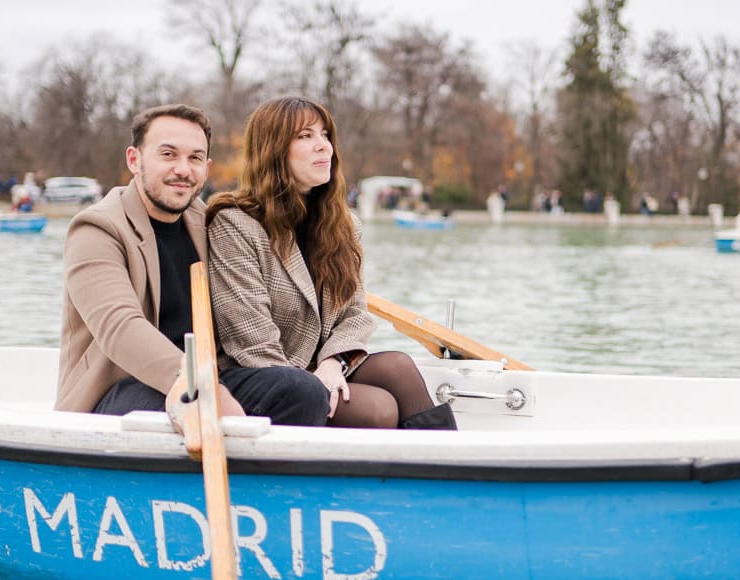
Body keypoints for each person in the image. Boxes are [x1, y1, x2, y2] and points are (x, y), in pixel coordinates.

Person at [56, 103, 328, 426]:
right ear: (134, 159)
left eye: (195, 158)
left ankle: (263, 476)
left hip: (208, 378)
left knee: (302, 390)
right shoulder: (97, 228)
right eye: (168, 155)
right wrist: (204, 386)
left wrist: (328, 360)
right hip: (120, 390)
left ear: (207, 167)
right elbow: (121, 328)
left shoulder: (209, 220)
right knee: (193, 408)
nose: (183, 169)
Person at [206, 96, 457, 430]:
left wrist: (333, 362)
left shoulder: (343, 225)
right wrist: (310, 382)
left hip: (320, 365)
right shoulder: (235, 223)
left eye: (325, 135)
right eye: (306, 136)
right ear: (273, 149)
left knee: (399, 367)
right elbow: (250, 335)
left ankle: (446, 469)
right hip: (263, 376)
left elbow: (355, 312)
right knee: (379, 409)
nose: (323, 147)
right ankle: (433, 474)